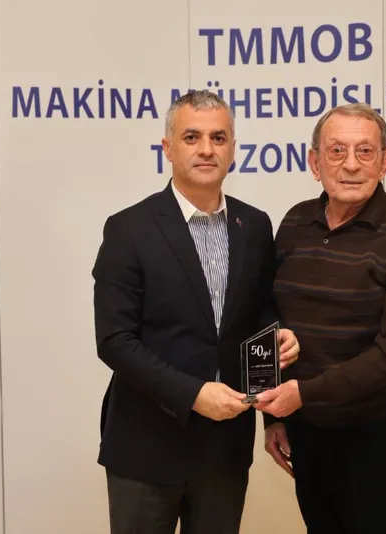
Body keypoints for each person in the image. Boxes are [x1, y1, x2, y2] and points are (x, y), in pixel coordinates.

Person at [91, 90, 299, 534]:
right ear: (168, 148)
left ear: (233, 149)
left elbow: (261, 313)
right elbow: (114, 341)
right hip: (146, 446)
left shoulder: (255, 225)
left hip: (225, 450)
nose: (207, 149)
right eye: (192, 137)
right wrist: (193, 394)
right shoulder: (129, 228)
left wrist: (278, 346)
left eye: (218, 138)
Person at [255, 103, 386, 534]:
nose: (351, 165)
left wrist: (303, 394)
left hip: (385, 438)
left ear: (385, 161)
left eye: (365, 151)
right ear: (314, 162)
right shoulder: (295, 223)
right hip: (309, 435)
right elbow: (271, 319)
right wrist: (275, 416)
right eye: (336, 151)